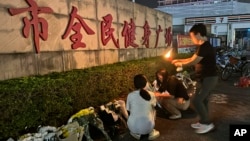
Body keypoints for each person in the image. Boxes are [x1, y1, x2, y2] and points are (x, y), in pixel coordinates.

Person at [172, 23, 218, 134]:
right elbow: (191, 58)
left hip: (209, 78)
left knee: (197, 101)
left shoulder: (205, 47)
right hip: (202, 78)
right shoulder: (201, 47)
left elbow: (193, 61)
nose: (191, 38)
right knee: (204, 101)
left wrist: (181, 64)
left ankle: (208, 124)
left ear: (198, 34)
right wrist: (179, 60)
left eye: (192, 36)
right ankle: (203, 121)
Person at [126, 74, 160, 140]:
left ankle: (137, 133)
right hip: (149, 127)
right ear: (146, 83)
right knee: (153, 108)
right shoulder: (151, 94)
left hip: (133, 127)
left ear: (134, 84)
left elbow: (128, 110)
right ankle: (148, 130)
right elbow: (156, 107)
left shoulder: (130, 95)